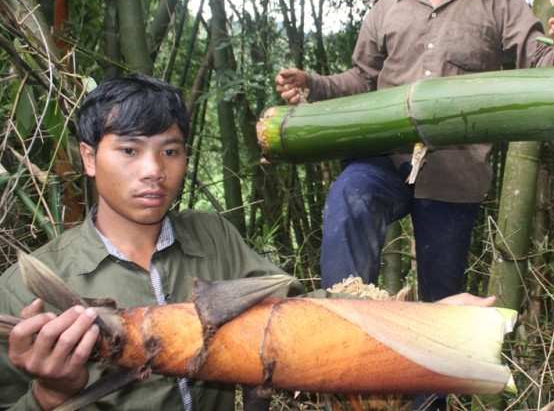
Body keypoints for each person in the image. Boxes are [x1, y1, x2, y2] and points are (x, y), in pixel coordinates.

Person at [0, 74, 492, 411]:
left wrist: (430, 321)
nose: (153, 171)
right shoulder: (29, 291)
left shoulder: (211, 236)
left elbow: (303, 318)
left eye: (170, 151)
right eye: (129, 151)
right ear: (88, 158)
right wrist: (49, 394)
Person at [275, 0, 554, 305]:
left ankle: (428, 366)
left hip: (454, 175)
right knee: (350, 193)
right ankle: (347, 319)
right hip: (385, 157)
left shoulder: (499, 3)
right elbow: (361, 80)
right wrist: (312, 85)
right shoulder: (387, 6)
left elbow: (537, 59)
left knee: (442, 304)